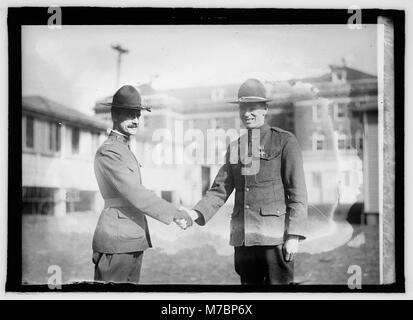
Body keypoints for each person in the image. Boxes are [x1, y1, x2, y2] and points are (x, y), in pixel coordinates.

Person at [182, 79, 308, 285]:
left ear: (265, 109)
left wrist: (294, 235)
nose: (247, 113)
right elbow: (219, 190)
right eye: (243, 108)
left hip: (273, 239)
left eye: (253, 108)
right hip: (243, 240)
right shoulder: (235, 147)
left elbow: (298, 193)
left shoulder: (285, 141)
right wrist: (195, 213)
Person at [92, 85, 192, 283]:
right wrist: (175, 213)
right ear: (114, 115)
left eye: (138, 115)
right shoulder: (110, 151)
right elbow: (135, 193)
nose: (136, 120)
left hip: (131, 239)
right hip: (116, 239)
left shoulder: (124, 149)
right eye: (129, 115)